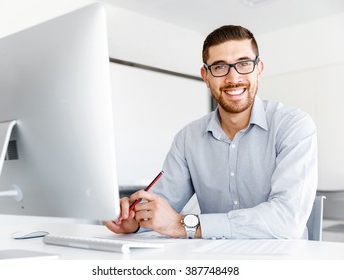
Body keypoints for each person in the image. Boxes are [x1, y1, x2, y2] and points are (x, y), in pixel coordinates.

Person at [104, 25, 318, 239]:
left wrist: (184, 225)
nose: (233, 78)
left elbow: (287, 220)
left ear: (259, 69)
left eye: (243, 64)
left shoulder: (294, 126)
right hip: (215, 260)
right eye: (219, 67)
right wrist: (135, 220)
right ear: (205, 76)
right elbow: (162, 208)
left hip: (283, 262)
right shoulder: (187, 139)